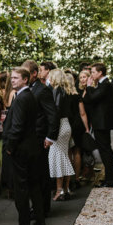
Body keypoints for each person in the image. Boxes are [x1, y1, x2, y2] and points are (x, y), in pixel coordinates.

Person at [3, 67, 43, 225]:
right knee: (34, 185)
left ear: (25, 80)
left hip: (22, 149)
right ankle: (40, 222)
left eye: (16, 78)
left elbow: (17, 127)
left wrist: (10, 147)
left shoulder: (22, 98)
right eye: (11, 78)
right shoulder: (30, 95)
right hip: (32, 146)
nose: (12, 80)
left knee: (22, 187)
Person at [22, 59, 59, 220]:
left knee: (41, 175)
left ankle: (43, 209)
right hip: (29, 138)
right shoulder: (28, 89)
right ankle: (37, 207)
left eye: (25, 74)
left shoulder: (42, 90)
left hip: (40, 138)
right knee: (34, 174)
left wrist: (50, 136)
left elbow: (53, 115)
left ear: (34, 74)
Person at [83, 62, 113, 187]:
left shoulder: (106, 85)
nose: (91, 75)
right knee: (105, 150)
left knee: (105, 150)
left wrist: (88, 86)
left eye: (93, 72)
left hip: (102, 122)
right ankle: (111, 177)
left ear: (100, 72)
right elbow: (87, 100)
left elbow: (92, 98)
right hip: (100, 122)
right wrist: (90, 89)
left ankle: (110, 180)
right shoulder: (100, 85)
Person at [47, 69, 76, 200]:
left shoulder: (57, 91)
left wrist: (51, 128)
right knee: (63, 156)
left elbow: (56, 111)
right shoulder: (67, 91)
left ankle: (60, 190)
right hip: (66, 124)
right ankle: (66, 188)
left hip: (59, 125)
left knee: (58, 157)